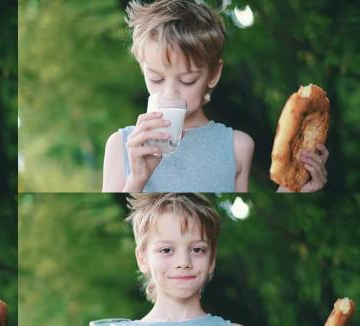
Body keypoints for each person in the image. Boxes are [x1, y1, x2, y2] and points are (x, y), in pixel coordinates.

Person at [79, 193, 339, 326]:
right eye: (167, 250)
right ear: (142, 258)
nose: (184, 262)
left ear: (212, 260)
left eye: (198, 250)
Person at [102, 0, 329, 193]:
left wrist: (296, 189)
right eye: (156, 78)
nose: (169, 92)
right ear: (143, 70)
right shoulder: (120, 145)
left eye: (188, 80)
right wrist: (136, 179)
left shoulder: (237, 146)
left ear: (214, 74)